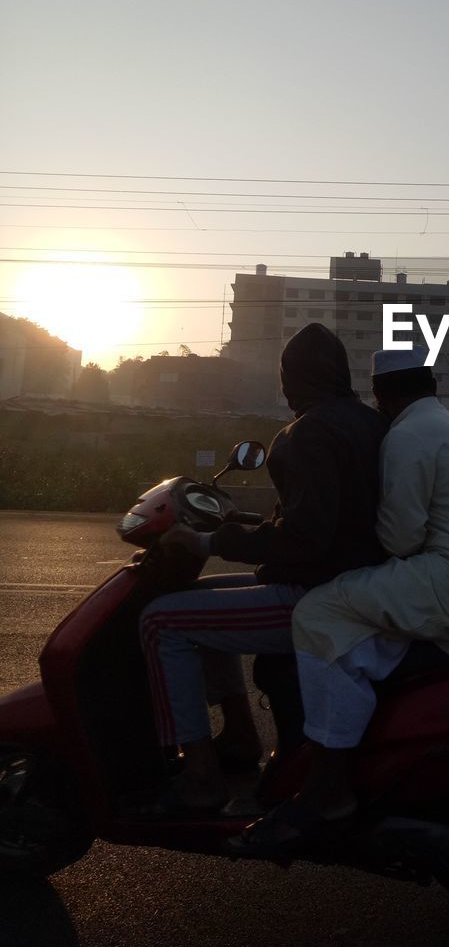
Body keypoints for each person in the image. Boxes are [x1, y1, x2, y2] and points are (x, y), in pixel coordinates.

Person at [231, 345, 449, 856]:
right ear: (430, 385)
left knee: (319, 611)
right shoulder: (446, 425)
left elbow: (399, 540)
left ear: (381, 394)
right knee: (362, 613)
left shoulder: (406, 435)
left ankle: (328, 787)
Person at [139, 323, 387, 814]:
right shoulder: (371, 424)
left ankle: (201, 773)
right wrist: (251, 527)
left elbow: (303, 539)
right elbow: (327, 516)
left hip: (314, 595)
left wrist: (211, 539)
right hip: (360, 581)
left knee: (161, 620)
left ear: (289, 378)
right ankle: (238, 735)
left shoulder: (303, 434)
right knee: (201, 598)